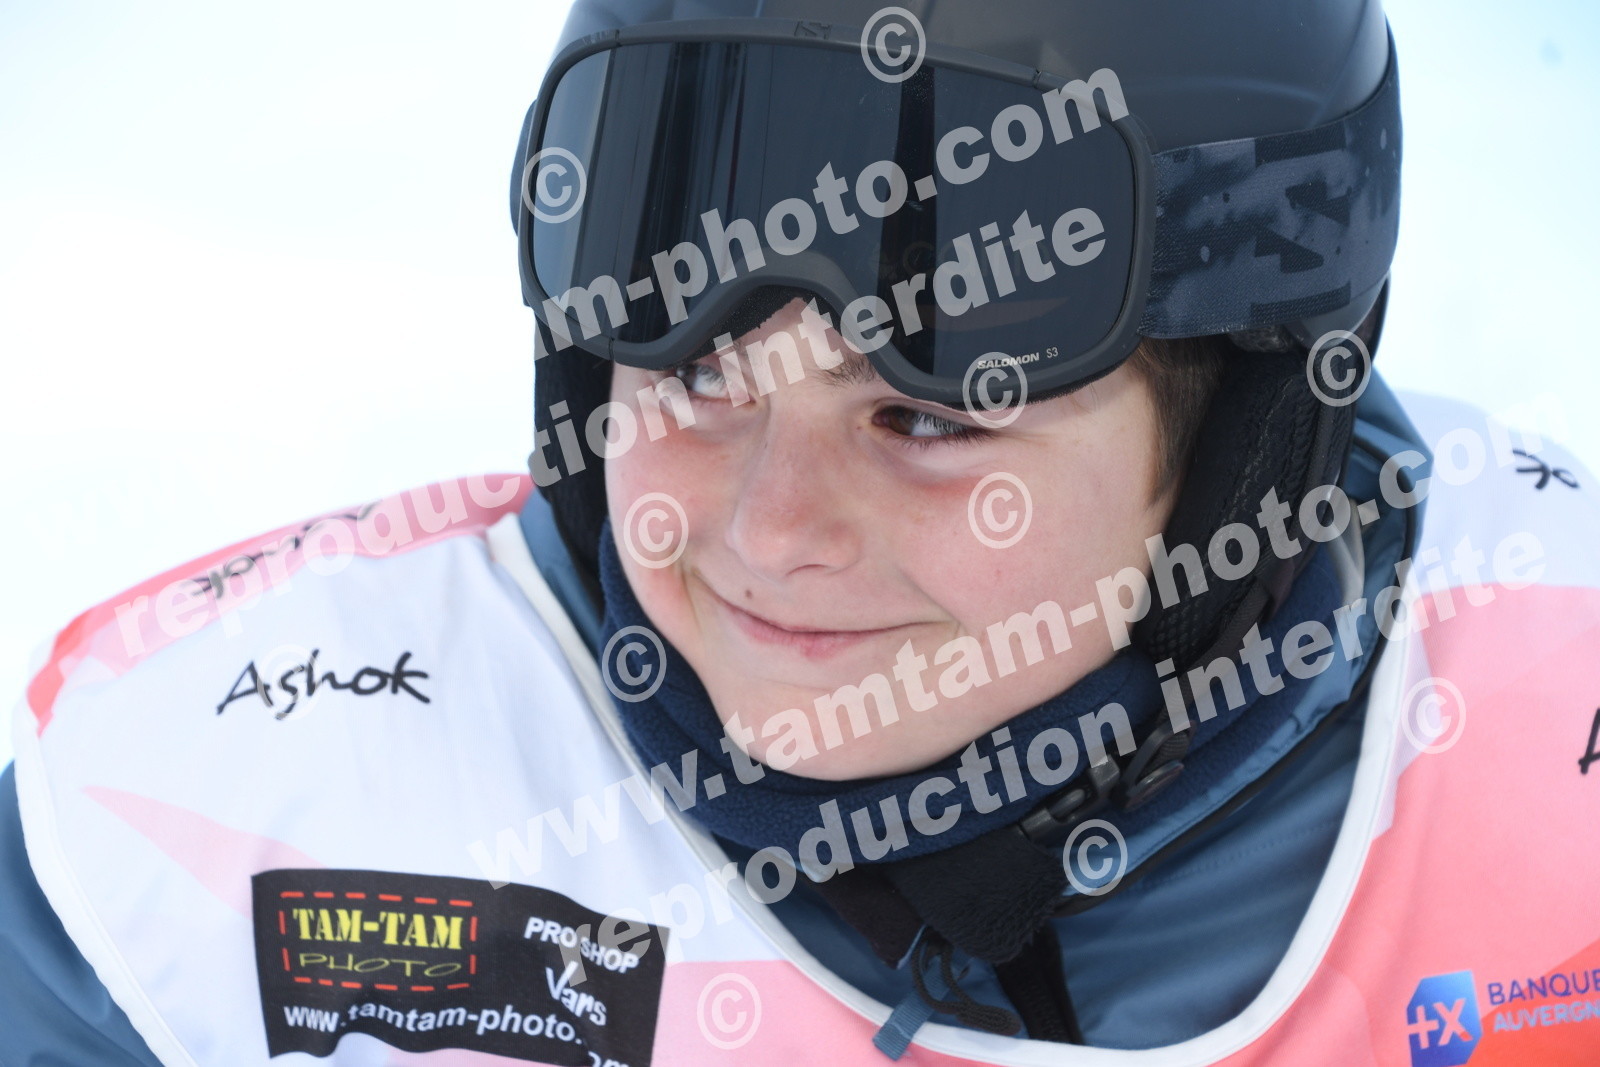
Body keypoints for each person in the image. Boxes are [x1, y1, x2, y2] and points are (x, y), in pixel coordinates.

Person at [4, 1, 1599, 1064]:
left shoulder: (1551, 721)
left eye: (929, 421)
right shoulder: (237, 822)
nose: (770, 532)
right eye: (699, 376)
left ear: (1245, 445)